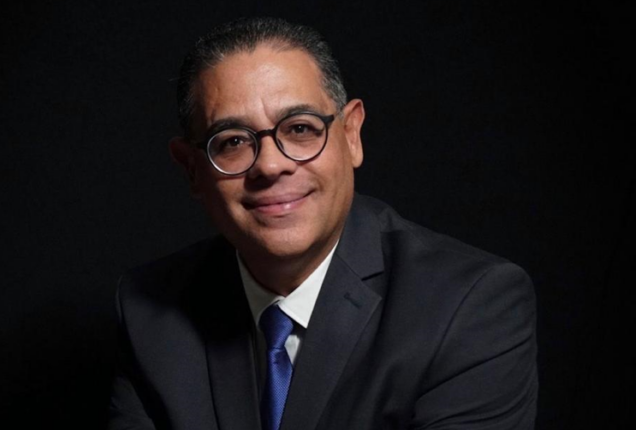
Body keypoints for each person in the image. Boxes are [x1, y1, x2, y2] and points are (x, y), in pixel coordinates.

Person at [108, 17, 537, 430]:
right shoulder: (149, 313)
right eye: (233, 141)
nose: (270, 165)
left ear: (351, 136)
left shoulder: (470, 306)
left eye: (300, 129)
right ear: (191, 169)